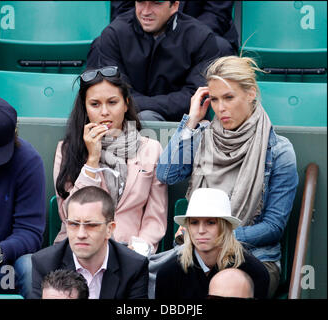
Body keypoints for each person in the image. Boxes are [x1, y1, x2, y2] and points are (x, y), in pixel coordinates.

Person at [156, 55, 299, 298]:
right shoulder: (201, 136)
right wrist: (191, 122)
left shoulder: (279, 151)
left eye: (229, 97)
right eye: (214, 99)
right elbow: (167, 174)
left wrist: (221, 237)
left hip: (253, 258)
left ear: (251, 93)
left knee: (225, 286)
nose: (221, 108)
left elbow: (273, 227)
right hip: (196, 256)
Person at [53, 66, 167, 255]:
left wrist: (140, 248)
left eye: (112, 102)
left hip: (130, 251)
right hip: (78, 252)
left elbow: (156, 215)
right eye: (95, 104)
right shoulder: (67, 150)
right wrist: (92, 160)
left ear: (126, 104)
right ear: (85, 108)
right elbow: (69, 214)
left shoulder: (151, 148)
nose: (104, 112)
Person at [87, 1, 235, 122]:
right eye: (141, 2)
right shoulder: (113, 35)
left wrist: (134, 103)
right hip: (129, 119)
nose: (146, 11)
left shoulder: (201, 38)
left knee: (147, 118)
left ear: (175, 6)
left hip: (184, 121)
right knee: (145, 118)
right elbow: (112, 94)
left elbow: (195, 97)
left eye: (156, 3)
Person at [30, 186, 149, 299]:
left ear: (110, 229)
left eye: (91, 225)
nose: (81, 234)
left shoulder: (133, 266)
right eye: (74, 224)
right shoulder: (45, 263)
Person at [155, 188, 270, 299]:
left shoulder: (254, 272)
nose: (201, 230)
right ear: (188, 227)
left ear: (225, 226)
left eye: (210, 222)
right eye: (194, 222)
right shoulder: (169, 273)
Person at [0, 96, 46, 298]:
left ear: (15, 133)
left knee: (31, 268)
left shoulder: (28, 161)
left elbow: (30, 232)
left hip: (4, 264)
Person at [110, 1, 239, 51]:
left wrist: (180, 37)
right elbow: (123, 10)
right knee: (106, 44)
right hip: (145, 32)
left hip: (197, 35)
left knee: (219, 48)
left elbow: (216, 14)